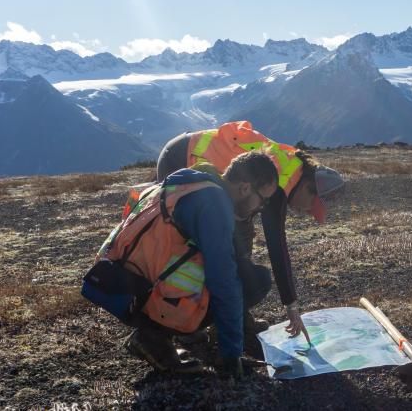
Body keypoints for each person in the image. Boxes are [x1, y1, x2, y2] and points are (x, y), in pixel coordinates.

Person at [155, 121, 345, 357]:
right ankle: (175, 326)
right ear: (307, 186)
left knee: (239, 245)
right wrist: (291, 306)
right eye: (310, 207)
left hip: (185, 149)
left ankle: (234, 317)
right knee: (199, 250)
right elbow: (277, 247)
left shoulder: (291, 170)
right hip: (182, 156)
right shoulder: (281, 183)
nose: (306, 212)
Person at [94, 151, 279, 377]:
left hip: (115, 284)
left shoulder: (188, 185)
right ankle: (153, 336)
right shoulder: (214, 204)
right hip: (142, 297)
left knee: (236, 271)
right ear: (245, 188)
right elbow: (223, 279)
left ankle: (163, 330)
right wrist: (231, 353)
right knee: (255, 280)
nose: (259, 208)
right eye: (262, 200)